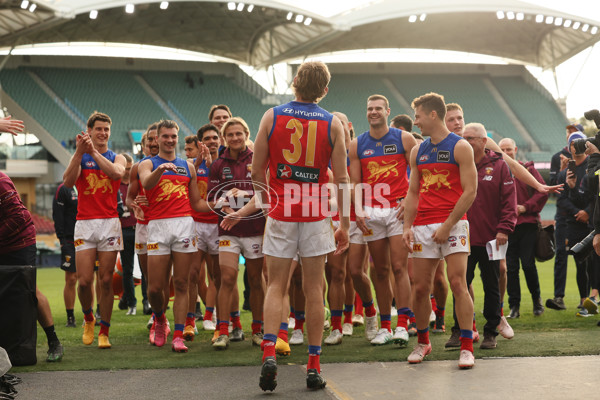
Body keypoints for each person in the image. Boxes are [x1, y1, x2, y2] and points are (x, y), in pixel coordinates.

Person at [247, 61, 349, 391]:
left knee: (275, 285)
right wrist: (344, 222)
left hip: (281, 211)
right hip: (316, 214)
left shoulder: (271, 116)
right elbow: (343, 178)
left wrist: (267, 206)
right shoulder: (332, 122)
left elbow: (255, 171)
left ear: (294, 83)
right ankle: (314, 366)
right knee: (314, 288)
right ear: (325, 90)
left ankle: (269, 354)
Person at [403, 92, 477, 369]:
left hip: (454, 224)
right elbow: (412, 193)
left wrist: (447, 225)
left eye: (418, 116)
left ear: (433, 114)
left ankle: (467, 346)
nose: (416, 121)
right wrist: (407, 227)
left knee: (458, 283)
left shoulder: (460, 147)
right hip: (422, 226)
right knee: (421, 288)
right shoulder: (417, 150)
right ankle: (423, 342)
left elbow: (470, 192)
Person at [349, 95, 417, 346]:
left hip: (397, 210)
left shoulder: (404, 139)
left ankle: (403, 324)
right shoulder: (357, 144)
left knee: (400, 268)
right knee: (380, 270)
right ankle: (385, 326)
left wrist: (409, 201)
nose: (374, 112)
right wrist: (357, 209)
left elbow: (419, 174)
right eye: (370, 109)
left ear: (388, 111)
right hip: (371, 211)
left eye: (378, 108)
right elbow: (355, 182)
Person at [138, 119, 211, 353]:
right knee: (155, 288)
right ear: (157, 138)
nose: (170, 140)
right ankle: (160, 319)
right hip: (158, 226)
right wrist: (160, 169)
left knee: (182, 283)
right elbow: (147, 184)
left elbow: (197, 203)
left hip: (184, 226)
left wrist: (219, 204)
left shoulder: (188, 166)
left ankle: (178, 335)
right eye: (165, 136)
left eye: (173, 136)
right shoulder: (147, 163)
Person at [63, 112, 126, 349]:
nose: (103, 133)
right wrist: (80, 152)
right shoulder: (80, 157)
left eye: (106, 129)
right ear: (88, 131)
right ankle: (88, 317)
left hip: (109, 222)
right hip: (86, 223)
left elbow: (116, 174)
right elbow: (68, 182)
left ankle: (104, 330)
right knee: (84, 281)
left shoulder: (116, 156)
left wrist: (93, 152)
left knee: (107, 280)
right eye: (98, 129)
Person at [208, 117, 266, 350]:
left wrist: (239, 200)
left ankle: (258, 330)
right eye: (230, 135)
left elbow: (263, 195)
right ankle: (223, 331)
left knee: (255, 281)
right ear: (224, 138)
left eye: (238, 134)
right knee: (227, 279)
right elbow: (213, 199)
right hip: (228, 230)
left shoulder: (258, 160)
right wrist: (228, 209)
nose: (234, 138)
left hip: (255, 229)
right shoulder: (217, 165)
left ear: (246, 134)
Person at [462, 123, 517, 349]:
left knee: (492, 286)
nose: (466, 141)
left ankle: (490, 332)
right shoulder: (458, 163)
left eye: (471, 138)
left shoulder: (499, 166)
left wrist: (504, 228)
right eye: (464, 137)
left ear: (484, 141)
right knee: (461, 285)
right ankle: (461, 330)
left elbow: (509, 200)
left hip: (491, 238)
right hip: (462, 238)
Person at [0, 171, 64, 362]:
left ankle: (54, 341)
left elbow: (20, 216)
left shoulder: (1, 182)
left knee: (30, 291)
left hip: (20, 242)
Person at [499, 138, 547, 318]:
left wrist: (525, 207)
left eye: (508, 149)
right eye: (502, 149)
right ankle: (514, 307)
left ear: (515, 149)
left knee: (527, 264)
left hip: (527, 225)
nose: (506, 152)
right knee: (510, 268)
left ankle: (537, 302)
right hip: (507, 227)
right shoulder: (496, 172)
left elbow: (542, 192)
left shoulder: (528, 169)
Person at [555, 133, 593, 315]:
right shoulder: (564, 174)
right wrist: (578, 212)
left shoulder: (593, 167)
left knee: (593, 263)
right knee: (580, 261)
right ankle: (584, 299)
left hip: (591, 222)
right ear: (569, 147)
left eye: (579, 143)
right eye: (572, 144)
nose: (575, 147)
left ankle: (591, 298)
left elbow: (594, 196)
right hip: (574, 222)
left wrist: (588, 212)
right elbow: (561, 200)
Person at [546, 127, 583, 310]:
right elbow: (554, 189)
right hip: (563, 216)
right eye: (570, 135)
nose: (572, 139)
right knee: (561, 254)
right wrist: (562, 171)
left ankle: (585, 298)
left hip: (581, 218)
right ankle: (559, 297)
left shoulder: (590, 161)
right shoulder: (557, 157)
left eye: (576, 135)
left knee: (582, 258)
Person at [52, 182, 78, 327]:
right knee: (71, 278)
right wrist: (61, 239)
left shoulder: (88, 184)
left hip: (88, 238)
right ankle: (70, 316)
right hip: (69, 239)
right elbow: (57, 214)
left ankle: (92, 314)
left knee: (89, 278)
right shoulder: (63, 189)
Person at [118, 153, 138, 316]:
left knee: (147, 269)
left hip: (139, 228)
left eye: (130, 169)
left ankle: (148, 301)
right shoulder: (115, 184)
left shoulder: (136, 184)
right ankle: (131, 302)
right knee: (127, 269)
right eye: (125, 168)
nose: (127, 172)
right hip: (123, 230)